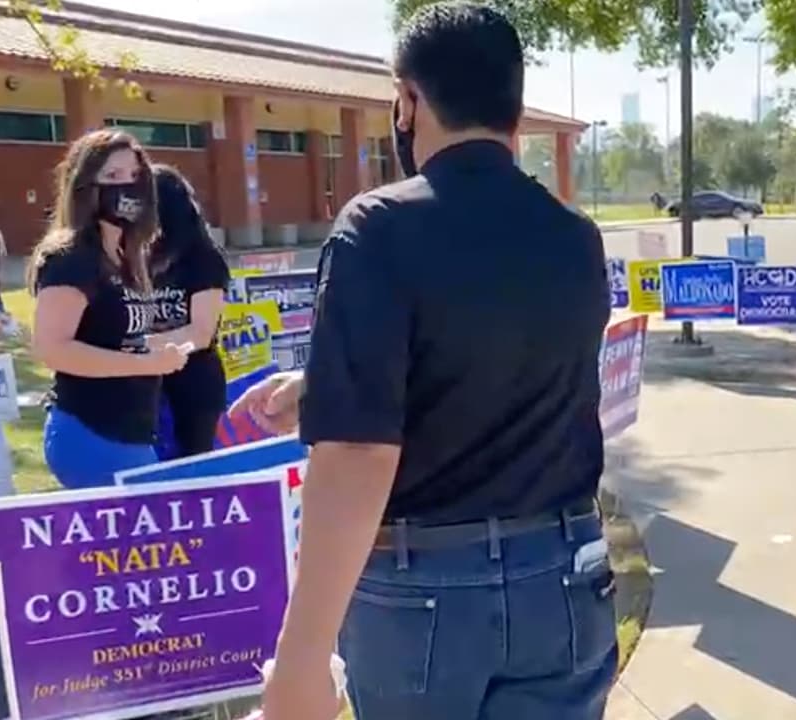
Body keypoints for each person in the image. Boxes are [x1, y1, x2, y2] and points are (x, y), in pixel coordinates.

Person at [237, 4, 615, 719]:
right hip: (563, 578)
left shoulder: (377, 228)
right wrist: (326, 384)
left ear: (407, 101)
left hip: (424, 594)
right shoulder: (574, 237)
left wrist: (301, 659)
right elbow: (506, 357)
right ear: (513, 104)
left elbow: (355, 451)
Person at [27, 129, 188, 489]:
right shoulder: (72, 258)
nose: (127, 187)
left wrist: (153, 348)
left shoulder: (128, 255)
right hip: (90, 432)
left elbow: (115, 335)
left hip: (134, 432)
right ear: (86, 186)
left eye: (134, 176)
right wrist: (144, 363)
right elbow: (52, 348)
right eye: (112, 177)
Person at [148, 165, 231, 457]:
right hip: (146, 382)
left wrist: (140, 347)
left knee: (192, 468)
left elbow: (201, 333)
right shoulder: (141, 257)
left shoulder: (202, 258)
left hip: (194, 384)